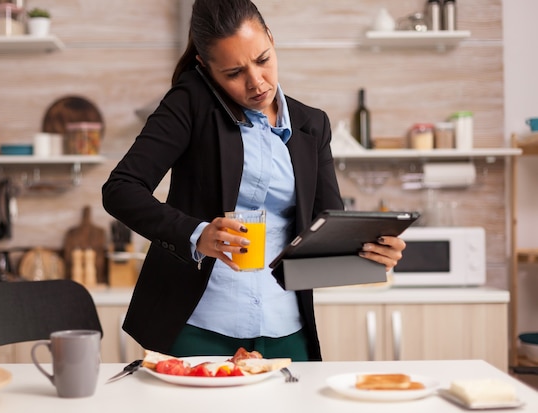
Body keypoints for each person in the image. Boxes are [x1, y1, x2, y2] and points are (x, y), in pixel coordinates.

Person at [102, 0, 406, 361]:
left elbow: (326, 226)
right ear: (205, 66)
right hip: (198, 325)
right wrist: (199, 234)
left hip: (287, 327)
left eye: (262, 60)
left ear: (272, 41)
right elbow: (120, 189)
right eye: (233, 73)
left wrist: (371, 254)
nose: (256, 82)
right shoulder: (189, 104)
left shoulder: (312, 124)